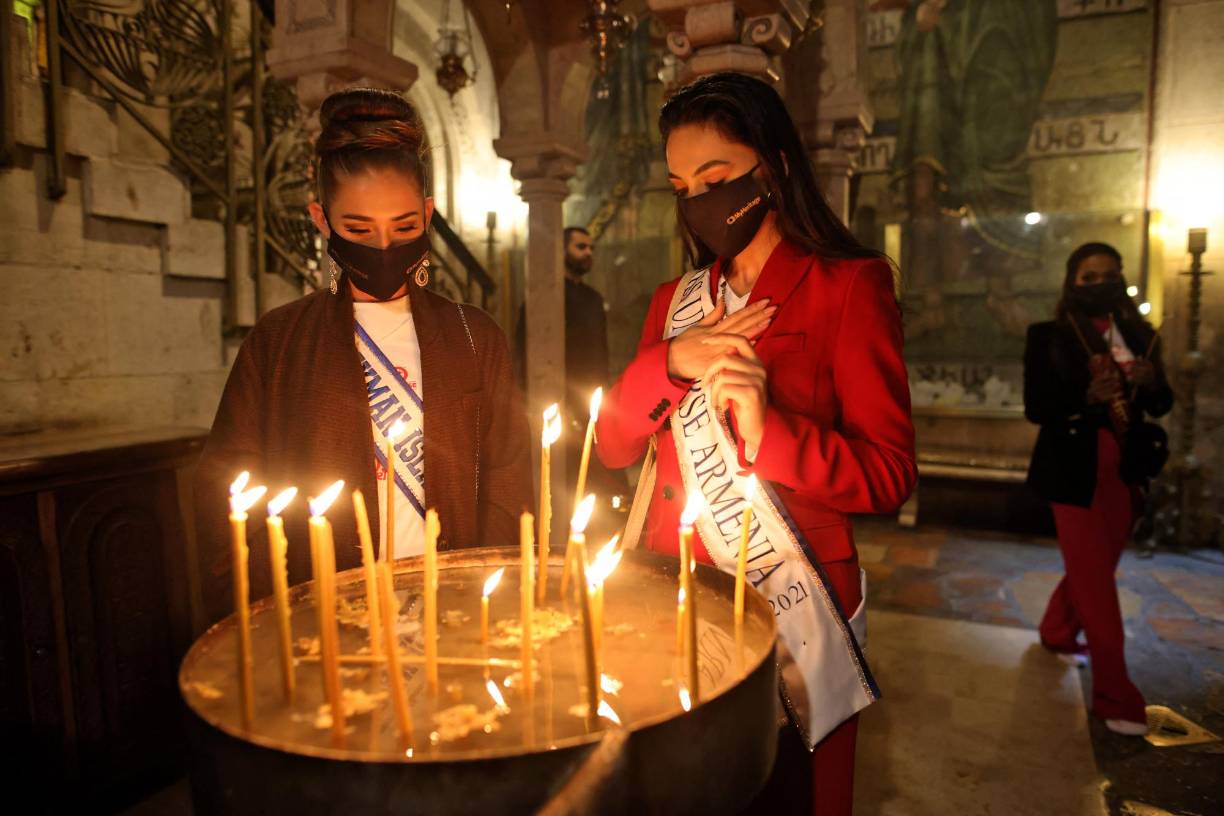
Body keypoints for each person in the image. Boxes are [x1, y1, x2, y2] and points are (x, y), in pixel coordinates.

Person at [596, 73, 917, 816]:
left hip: (794, 595)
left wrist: (772, 434)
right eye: (682, 188)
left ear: (770, 168)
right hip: (678, 591)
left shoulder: (846, 285)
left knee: (786, 795)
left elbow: (889, 472)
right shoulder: (673, 304)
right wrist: (672, 362)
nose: (698, 202)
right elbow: (612, 445)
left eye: (715, 181)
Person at [195, 88, 533, 624]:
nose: (383, 247)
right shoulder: (279, 342)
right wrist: (280, 608)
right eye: (357, 230)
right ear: (322, 219)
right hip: (325, 615)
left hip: (453, 605)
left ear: (428, 215)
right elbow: (230, 487)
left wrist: (483, 590)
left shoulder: (474, 336)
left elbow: (508, 481)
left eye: (404, 228)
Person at [1024, 241, 1173, 736]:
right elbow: (1037, 407)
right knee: (1097, 584)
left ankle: (1057, 630)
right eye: (1089, 277)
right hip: (1074, 471)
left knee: (1095, 569)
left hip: (1126, 469)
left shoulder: (1139, 334)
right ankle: (1116, 695)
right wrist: (1085, 396)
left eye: (1109, 275)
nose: (1099, 284)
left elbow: (1162, 404)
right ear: (1072, 281)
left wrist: (1153, 381)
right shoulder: (1049, 335)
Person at [515, 225, 627, 502]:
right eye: (580, 247)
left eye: (591, 248)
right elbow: (525, 352)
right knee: (561, 481)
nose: (588, 252)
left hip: (592, 398)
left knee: (600, 479)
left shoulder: (593, 299)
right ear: (562, 251)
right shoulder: (543, 299)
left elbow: (600, 352)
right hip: (557, 397)